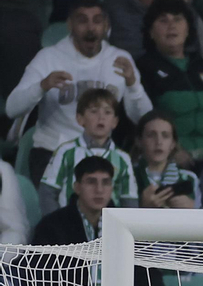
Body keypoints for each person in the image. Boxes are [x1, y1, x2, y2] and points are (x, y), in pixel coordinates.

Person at [5, 0, 152, 175]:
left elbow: (145, 119)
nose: (91, 28)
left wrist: (133, 85)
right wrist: (41, 86)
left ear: (106, 25)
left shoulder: (120, 59)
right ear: (70, 25)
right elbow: (12, 109)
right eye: (82, 21)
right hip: (53, 153)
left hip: (100, 155)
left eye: (97, 21)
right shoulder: (49, 58)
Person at [134, 0, 203, 164]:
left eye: (178, 19)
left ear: (188, 29)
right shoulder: (143, 69)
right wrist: (173, 150)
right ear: (151, 32)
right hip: (168, 159)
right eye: (163, 20)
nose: (171, 26)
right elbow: (141, 116)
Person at [38, 87, 136, 215]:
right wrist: (58, 222)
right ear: (80, 119)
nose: (101, 118)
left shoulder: (123, 158)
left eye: (107, 112)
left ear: (115, 121)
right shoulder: (66, 151)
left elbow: (129, 200)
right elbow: (47, 193)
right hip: (70, 222)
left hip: (109, 224)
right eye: (94, 112)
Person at [133, 109, 200, 208]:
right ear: (139, 141)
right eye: (151, 135)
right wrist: (142, 207)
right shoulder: (129, 176)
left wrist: (193, 207)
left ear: (173, 143)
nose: (159, 142)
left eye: (165, 136)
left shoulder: (189, 178)